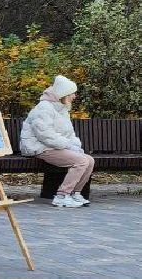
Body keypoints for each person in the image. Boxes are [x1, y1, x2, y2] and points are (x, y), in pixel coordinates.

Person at [19, 75, 93, 208]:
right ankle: (62, 195)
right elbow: (45, 135)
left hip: (54, 147)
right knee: (81, 161)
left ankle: (75, 193)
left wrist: (74, 145)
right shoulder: (44, 108)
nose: (74, 96)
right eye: (72, 93)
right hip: (40, 148)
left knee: (89, 160)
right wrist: (67, 145)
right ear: (64, 94)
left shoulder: (63, 109)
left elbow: (69, 133)